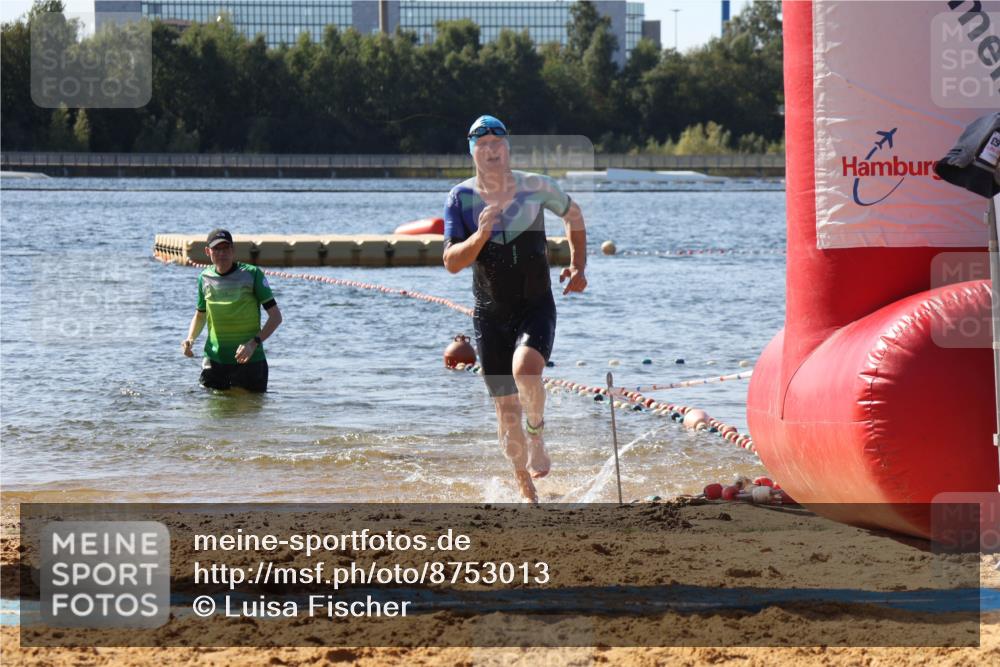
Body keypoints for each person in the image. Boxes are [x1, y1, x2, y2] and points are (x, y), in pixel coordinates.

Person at [443, 115, 588, 503]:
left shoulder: (535, 186)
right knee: (506, 414)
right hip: (489, 314)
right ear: (471, 151)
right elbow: (452, 262)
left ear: (508, 148)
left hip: (535, 304)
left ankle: (538, 433)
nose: (491, 151)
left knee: (526, 369)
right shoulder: (460, 198)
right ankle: (527, 491)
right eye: (483, 145)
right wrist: (480, 234)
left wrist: (578, 265)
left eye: (498, 144)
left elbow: (573, 215)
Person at [181, 229, 283, 392]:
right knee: (210, 414)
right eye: (217, 249)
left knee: (249, 415)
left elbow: (276, 317)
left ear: (233, 250)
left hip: (250, 362)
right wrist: (190, 339)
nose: (222, 253)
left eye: (226, 248)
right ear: (208, 251)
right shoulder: (204, 278)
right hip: (214, 362)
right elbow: (200, 315)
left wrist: (253, 343)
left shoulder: (252, 274)